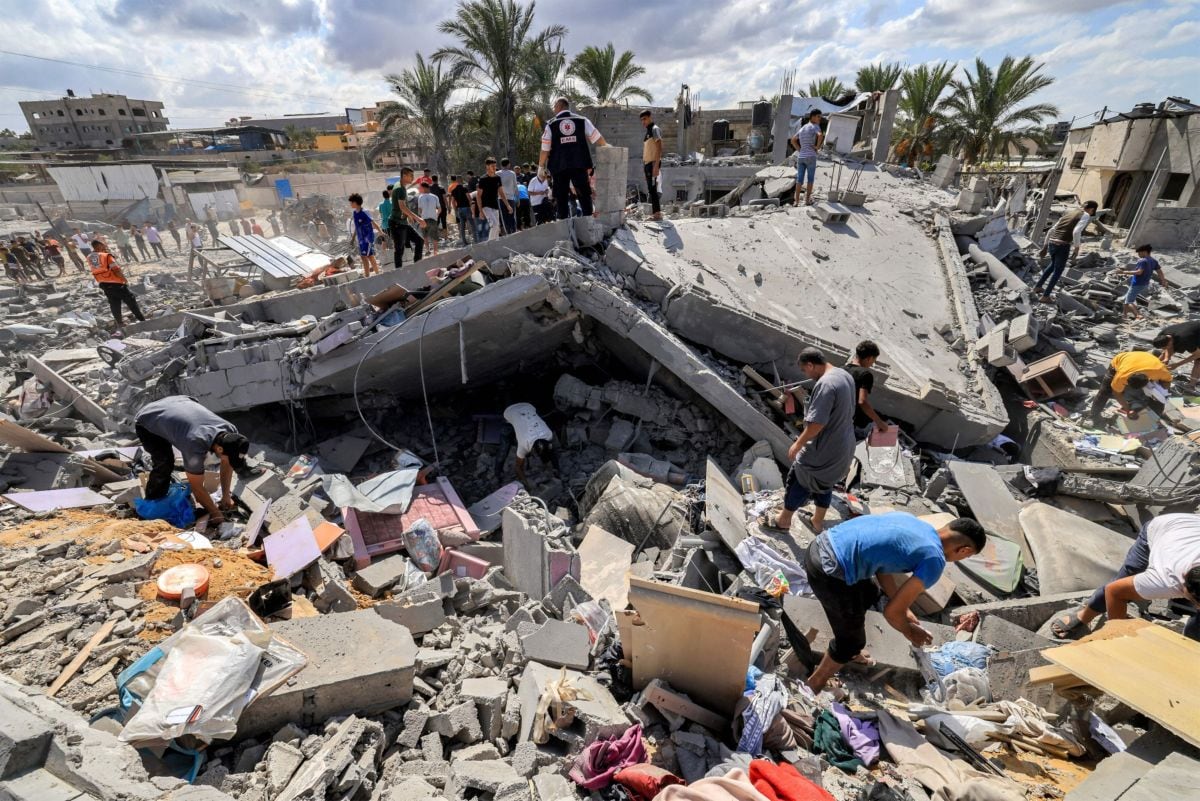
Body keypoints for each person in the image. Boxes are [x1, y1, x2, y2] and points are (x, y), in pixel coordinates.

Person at [803, 512, 986, 691]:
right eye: (966, 556)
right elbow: (891, 613)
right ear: (964, 550)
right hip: (828, 571)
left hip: (819, 546)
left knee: (870, 593)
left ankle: (850, 654)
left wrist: (904, 609)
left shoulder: (914, 522)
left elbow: (882, 564)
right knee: (851, 641)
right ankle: (815, 683)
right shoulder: (934, 560)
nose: (961, 558)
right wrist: (909, 631)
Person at [1051, 513, 1200, 641]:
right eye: (1194, 601)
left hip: (1193, 529)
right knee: (1125, 578)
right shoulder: (1165, 579)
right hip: (1162, 528)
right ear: (1184, 580)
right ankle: (1084, 616)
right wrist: (1118, 636)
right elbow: (1114, 592)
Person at [762, 348, 857, 535]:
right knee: (824, 481)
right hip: (844, 445)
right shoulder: (844, 375)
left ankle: (783, 521)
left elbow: (817, 423)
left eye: (805, 371)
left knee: (800, 475)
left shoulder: (826, 385)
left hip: (826, 446)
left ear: (811, 365)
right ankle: (817, 521)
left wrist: (798, 444)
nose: (806, 375)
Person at [134, 395, 250, 525]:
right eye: (230, 458)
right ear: (219, 449)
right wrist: (215, 514)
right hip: (148, 418)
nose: (229, 462)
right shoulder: (194, 444)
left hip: (180, 403)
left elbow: (227, 464)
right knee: (164, 462)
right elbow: (197, 487)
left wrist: (225, 496)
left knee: (175, 440)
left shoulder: (231, 431)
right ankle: (152, 505)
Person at [539, 97, 607, 221]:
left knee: (562, 197)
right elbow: (597, 138)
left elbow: (545, 149)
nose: (554, 109)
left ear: (559, 106)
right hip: (579, 165)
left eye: (554, 107)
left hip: (559, 167)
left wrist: (540, 166)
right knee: (584, 195)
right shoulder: (582, 120)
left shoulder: (551, 124)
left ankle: (565, 227)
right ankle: (589, 223)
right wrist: (607, 147)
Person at [1033, 200, 1098, 302]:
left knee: (1052, 266)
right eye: (1092, 212)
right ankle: (1045, 296)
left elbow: (1051, 230)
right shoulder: (1085, 215)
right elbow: (1076, 232)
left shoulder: (1069, 212)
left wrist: (1045, 246)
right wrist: (1077, 248)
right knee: (1058, 271)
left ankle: (1037, 287)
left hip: (1051, 243)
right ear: (1091, 209)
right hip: (1062, 245)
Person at [1090, 350, 1173, 425]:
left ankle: (1151, 415)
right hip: (1123, 359)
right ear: (1127, 381)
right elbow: (1116, 393)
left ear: (1147, 379)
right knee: (1105, 391)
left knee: (1158, 396)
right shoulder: (1121, 376)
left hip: (1147, 360)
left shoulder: (1159, 371)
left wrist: (1158, 390)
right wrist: (1128, 410)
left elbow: (1167, 382)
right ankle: (1094, 416)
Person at [87, 240, 145, 332]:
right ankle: (142, 319)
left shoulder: (90, 257)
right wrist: (124, 279)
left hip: (104, 284)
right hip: (116, 283)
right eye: (103, 245)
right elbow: (116, 269)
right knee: (131, 300)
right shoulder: (106, 256)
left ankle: (120, 323)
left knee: (114, 304)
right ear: (98, 246)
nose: (105, 247)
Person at [504, 402, 557, 487]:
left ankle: (552, 468)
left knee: (548, 454)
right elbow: (518, 467)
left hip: (528, 406)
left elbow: (550, 451)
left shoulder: (548, 434)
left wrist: (554, 470)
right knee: (505, 441)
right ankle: (498, 472)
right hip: (510, 411)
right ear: (531, 450)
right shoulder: (523, 445)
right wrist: (527, 485)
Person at [844, 340, 889, 439]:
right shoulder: (865, 374)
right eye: (874, 360)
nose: (873, 363)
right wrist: (880, 423)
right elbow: (862, 401)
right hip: (846, 422)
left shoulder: (843, 369)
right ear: (869, 358)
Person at [1117, 244, 1168, 320]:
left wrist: (1124, 272)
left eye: (1139, 253)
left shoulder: (1143, 261)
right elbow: (1159, 272)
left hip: (1137, 283)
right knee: (1126, 299)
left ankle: (1137, 315)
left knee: (1129, 301)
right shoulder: (1154, 261)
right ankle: (1124, 315)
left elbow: (1139, 272)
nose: (1138, 255)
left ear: (1144, 252)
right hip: (1144, 284)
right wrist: (1163, 281)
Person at [388, 168, 427, 267]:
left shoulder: (400, 185)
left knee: (419, 241)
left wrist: (408, 215)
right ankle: (399, 272)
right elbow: (402, 206)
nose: (413, 178)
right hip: (397, 223)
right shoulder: (400, 188)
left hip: (402, 222)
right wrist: (418, 218)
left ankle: (417, 266)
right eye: (411, 176)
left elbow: (403, 204)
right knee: (399, 249)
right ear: (404, 176)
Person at [1154, 320, 1200, 393]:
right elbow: (1167, 349)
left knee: (1198, 361)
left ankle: (1191, 386)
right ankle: (1154, 373)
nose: (1165, 349)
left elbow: (1198, 354)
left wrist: (1177, 364)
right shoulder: (1162, 334)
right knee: (1164, 355)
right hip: (1190, 330)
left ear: (1170, 341)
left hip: (1196, 335)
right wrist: (1166, 358)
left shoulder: (1185, 339)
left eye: (1166, 346)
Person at [790, 109, 823, 206]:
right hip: (811, 156)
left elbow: (793, 140)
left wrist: (800, 149)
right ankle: (807, 200)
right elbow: (820, 135)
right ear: (812, 117)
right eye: (818, 117)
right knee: (810, 179)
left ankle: (796, 202)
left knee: (799, 179)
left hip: (801, 157)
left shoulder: (802, 128)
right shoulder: (815, 126)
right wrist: (817, 147)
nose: (819, 119)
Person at [478, 157, 512, 243]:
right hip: (486, 206)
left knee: (497, 228)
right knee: (494, 225)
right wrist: (480, 211)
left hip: (495, 206)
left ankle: (495, 245)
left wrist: (508, 205)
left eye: (495, 165)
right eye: (492, 166)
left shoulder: (497, 178)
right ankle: (489, 245)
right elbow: (478, 196)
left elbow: (501, 193)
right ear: (487, 166)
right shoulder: (483, 179)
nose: (494, 167)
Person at [348, 193, 381, 276]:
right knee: (363, 257)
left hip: (368, 238)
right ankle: (367, 275)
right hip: (361, 239)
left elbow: (373, 222)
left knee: (370, 256)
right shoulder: (355, 213)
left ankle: (377, 273)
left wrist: (380, 231)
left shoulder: (365, 212)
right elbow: (357, 227)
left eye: (351, 202)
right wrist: (353, 239)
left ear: (356, 202)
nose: (350, 204)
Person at [639, 110, 663, 220]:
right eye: (641, 120)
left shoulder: (654, 129)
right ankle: (655, 213)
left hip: (653, 163)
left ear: (650, 117)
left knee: (653, 189)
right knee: (650, 188)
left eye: (645, 119)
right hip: (648, 164)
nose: (643, 122)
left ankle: (657, 214)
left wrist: (656, 165)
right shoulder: (648, 131)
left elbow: (659, 146)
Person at [417, 183, 441, 256]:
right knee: (434, 236)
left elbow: (419, 210)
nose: (419, 189)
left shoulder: (420, 197)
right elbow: (439, 209)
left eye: (420, 188)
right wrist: (436, 215)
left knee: (425, 236)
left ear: (424, 188)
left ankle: (427, 250)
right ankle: (435, 252)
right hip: (433, 219)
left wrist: (420, 217)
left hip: (424, 219)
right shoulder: (435, 197)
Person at [449, 175, 473, 247]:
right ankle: (475, 238)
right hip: (466, 207)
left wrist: (455, 209)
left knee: (462, 226)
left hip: (459, 209)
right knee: (471, 223)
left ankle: (464, 241)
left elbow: (453, 201)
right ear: (461, 180)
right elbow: (468, 197)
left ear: (456, 180)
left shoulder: (453, 190)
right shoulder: (464, 188)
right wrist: (471, 205)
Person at [498, 159, 519, 235]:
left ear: (501, 165)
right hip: (511, 198)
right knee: (512, 216)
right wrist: (518, 198)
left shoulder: (497, 173)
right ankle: (514, 232)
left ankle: (508, 233)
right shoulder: (512, 173)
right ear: (509, 164)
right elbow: (515, 186)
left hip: (501, 199)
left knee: (504, 217)